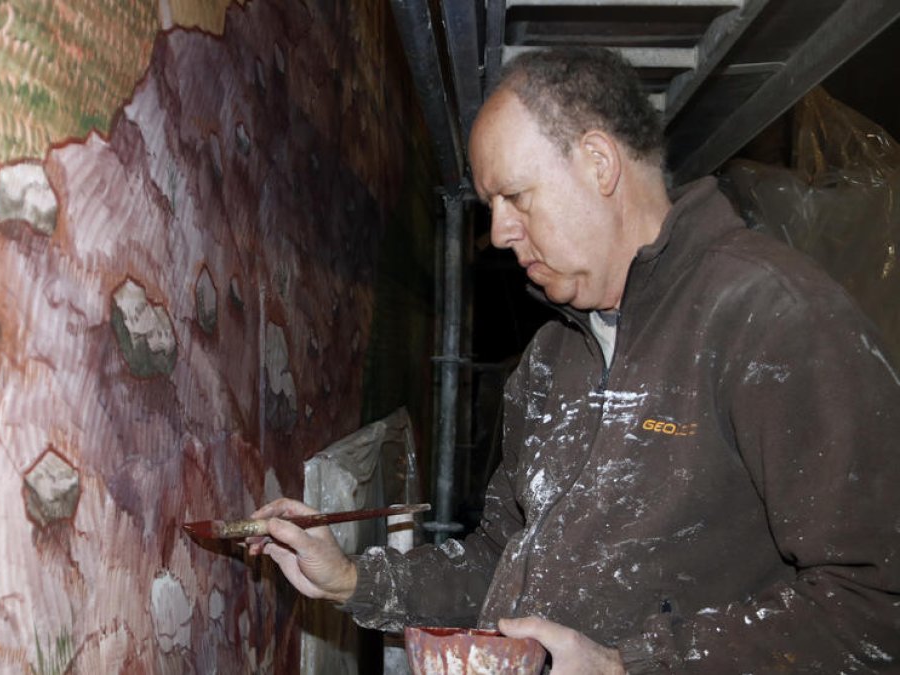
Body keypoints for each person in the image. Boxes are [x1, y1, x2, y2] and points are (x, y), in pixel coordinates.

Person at [250, 47, 900, 673]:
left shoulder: (769, 316)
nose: (499, 232)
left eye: (515, 196)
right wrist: (351, 578)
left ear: (597, 162)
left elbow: (878, 605)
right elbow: (499, 559)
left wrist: (633, 666)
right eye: (491, 207)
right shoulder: (551, 357)